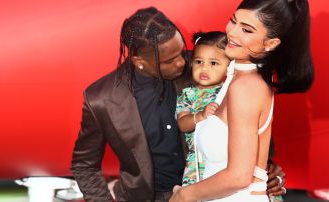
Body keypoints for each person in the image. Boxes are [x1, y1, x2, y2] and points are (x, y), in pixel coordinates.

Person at [71, 6, 287, 202]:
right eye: (169, 60)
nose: (183, 62)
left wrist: (265, 170)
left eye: (182, 51)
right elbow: (84, 165)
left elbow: (249, 122)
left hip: (204, 193)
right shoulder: (100, 98)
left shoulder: (204, 65)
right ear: (140, 61)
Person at [170, 0, 314, 201]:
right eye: (233, 21)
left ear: (271, 43)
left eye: (246, 30)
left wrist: (184, 195)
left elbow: (239, 177)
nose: (232, 32)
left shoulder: (245, 87)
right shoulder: (234, 72)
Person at [176, 31, 230, 187]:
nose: (204, 68)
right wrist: (200, 115)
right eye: (199, 62)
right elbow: (182, 124)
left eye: (213, 63)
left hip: (227, 158)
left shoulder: (230, 91)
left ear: (228, 66)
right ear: (192, 63)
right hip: (198, 161)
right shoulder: (188, 94)